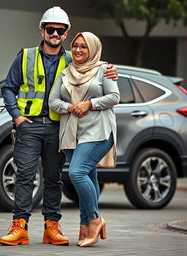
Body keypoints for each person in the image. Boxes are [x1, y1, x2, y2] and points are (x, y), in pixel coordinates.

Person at [0, 6, 118, 246]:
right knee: (24, 176)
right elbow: (8, 88)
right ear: (42, 29)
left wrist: (112, 70)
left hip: (58, 128)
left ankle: (52, 227)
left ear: (66, 33)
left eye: (60, 30)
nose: (55, 33)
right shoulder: (25, 56)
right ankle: (19, 227)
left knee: (54, 178)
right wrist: (17, 118)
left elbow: (94, 67)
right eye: (51, 29)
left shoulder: (71, 58)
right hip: (29, 126)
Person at [49, 32, 120, 247]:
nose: (78, 50)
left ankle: (95, 220)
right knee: (89, 175)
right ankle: (84, 228)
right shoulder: (66, 72)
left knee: (77, 173)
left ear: (93, 50)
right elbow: (53, 100)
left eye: (84, 47)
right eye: (75, 46)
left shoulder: (104, 70)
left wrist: (89, 104)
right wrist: (69, 107)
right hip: (72, 134)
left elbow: (114, 97)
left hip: (98, 132)